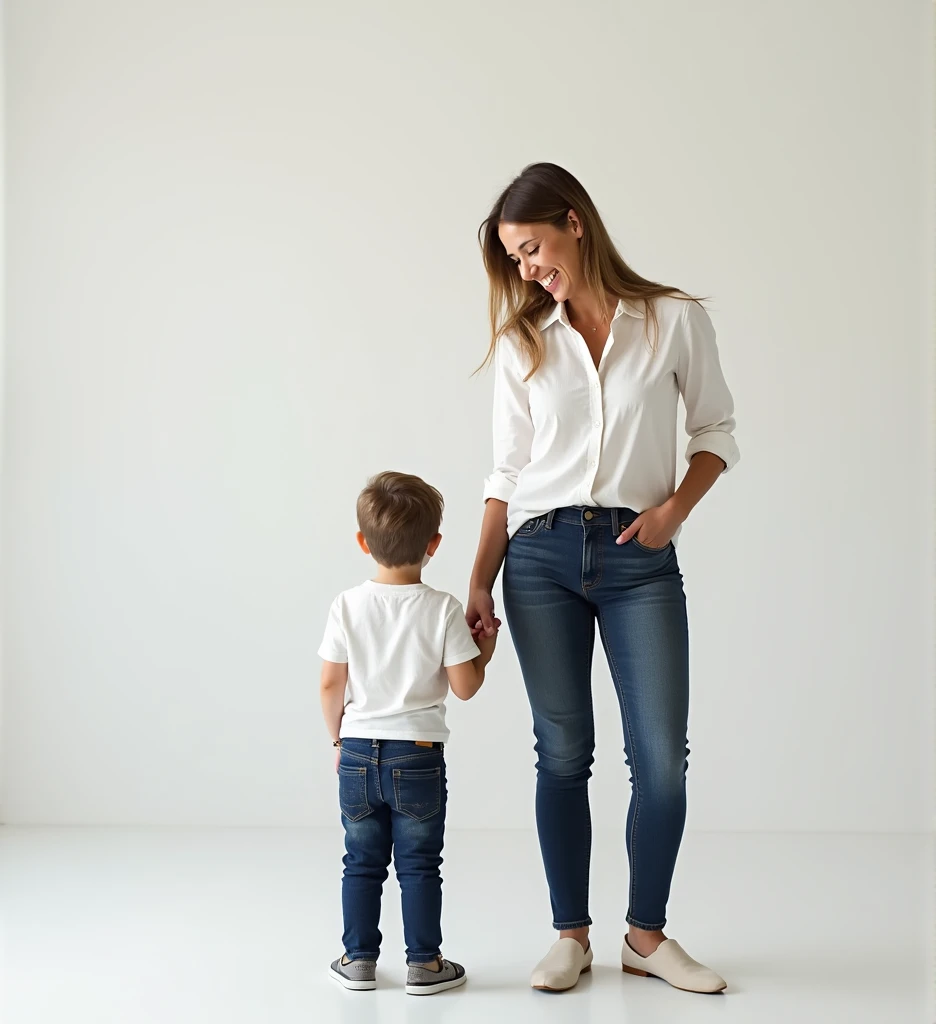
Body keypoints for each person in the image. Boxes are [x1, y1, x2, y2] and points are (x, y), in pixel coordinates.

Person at [466, 163, 738, 994]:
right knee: (562, 754)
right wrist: (478, 583)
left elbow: (718, 431)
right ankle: (571, 935)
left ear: (574, 223)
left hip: (638, 557)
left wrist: (672, 514)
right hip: (539, 560)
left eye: (532, 247)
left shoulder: (672, 321)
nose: (526, 269)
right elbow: (506, 474)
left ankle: (647, 937)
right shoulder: (526, 342)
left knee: (661, 760)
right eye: (514, 258)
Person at [320, 471, 497, 995]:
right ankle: (424, 963)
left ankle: (358, 960)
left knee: (361, 861)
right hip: (417, 756)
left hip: (355, 751)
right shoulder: (441, 608)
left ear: (362, 542)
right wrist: (483, 650)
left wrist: (338, 741)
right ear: (433, 545)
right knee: (420, 864)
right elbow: (465, 688)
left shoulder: (346, 606)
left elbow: (331, 683)